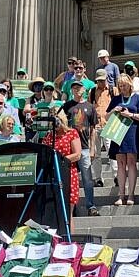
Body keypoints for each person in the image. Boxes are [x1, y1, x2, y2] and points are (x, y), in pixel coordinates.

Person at [63, 79, 99, 216]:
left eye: (79, 87)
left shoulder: (90, 107)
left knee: (87, 179)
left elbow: (93, 129)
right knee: (71, 179)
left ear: (84, 90)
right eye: (74, 88)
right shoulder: (67, 106)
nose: (76, 90)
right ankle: (72, 206)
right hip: (69, 149)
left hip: (84, 147)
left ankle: (91, 205)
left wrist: (92, 148)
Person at [42, 110, 83, 230]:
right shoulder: (50, 136)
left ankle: (70, 241)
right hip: (53, 174)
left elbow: (77, 154)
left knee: (68, 211)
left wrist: (60, 160)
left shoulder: (72, 133)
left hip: (68, 173)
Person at [107, 74, 139, 206]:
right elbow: (106, 116)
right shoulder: (116, 98)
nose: (122, 88)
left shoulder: (137, 98)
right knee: (120, 163)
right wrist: (114, 110)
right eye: (120, 86)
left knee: (131, 162)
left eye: (124, 85)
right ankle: (121, 194)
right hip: (118, 131)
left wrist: (130, 114)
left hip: (132, 131)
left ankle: (131, 194)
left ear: (130, 84)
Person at [90, 71, 114, 188]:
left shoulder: (112, 90)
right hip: (96, 125)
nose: (100, 82)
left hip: (109, 124)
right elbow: (90, 107)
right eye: (98, 80)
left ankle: (116, 176)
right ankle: (98, 178)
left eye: (102, 80)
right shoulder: (93, 91)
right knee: (96, 154)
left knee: (112, 151)